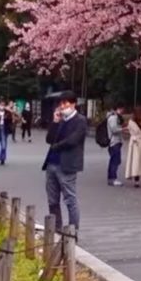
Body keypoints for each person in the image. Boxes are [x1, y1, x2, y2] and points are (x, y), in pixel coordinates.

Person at [42, 93, 86, 231]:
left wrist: (56, 146)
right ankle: (56, 229)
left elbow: (73, 140)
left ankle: (73, 231)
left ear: (73, 104)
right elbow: (49, 139)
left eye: (65, 103)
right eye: (60, 104)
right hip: (52, 163)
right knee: (52, 199)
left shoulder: (80, 120)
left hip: (67, 165)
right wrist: (55, 122)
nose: (62, 107)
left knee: (70, 199)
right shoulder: (61, 120)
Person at [106, 104, 125, 187]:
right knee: (115, 161)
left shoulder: (114, 117)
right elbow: (114, 130)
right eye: (121, 109)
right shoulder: (113, 118)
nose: (122, 111)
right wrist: (123, 129)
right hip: (114, 142)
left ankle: (111, 178)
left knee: (114, 160)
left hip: (116, 142)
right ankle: (113, 178)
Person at [0, 100, 11, 165]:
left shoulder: (7, 113)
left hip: (4, 129)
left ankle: (2, 159)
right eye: (1, 105)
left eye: (3, 105)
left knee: (3, 145)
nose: (2, 106)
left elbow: (10, 121)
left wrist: (6, 118)